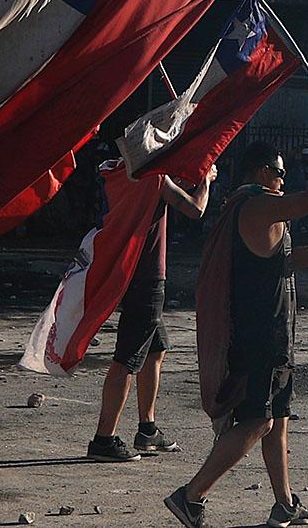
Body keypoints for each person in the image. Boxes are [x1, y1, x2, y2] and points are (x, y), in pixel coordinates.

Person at [165, 119, 308, 528]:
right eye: (281, 172)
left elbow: (286, 263)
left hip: (274, 333)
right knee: (259, 420)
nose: (284, 180)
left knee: (278, 421)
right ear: (262, 171)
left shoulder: (260, 212)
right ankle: (191, 495)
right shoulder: (254, 206)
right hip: (260, 336)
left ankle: (284, 504)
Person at [87, 164, 218, 462]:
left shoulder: (118, 173)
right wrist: (206, 181)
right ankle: (103, 440)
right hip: (146, 276)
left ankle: (148, 429)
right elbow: (195, 209)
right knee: (127, 357)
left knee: (155, 350)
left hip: (128, 271)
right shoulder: (155, 178)